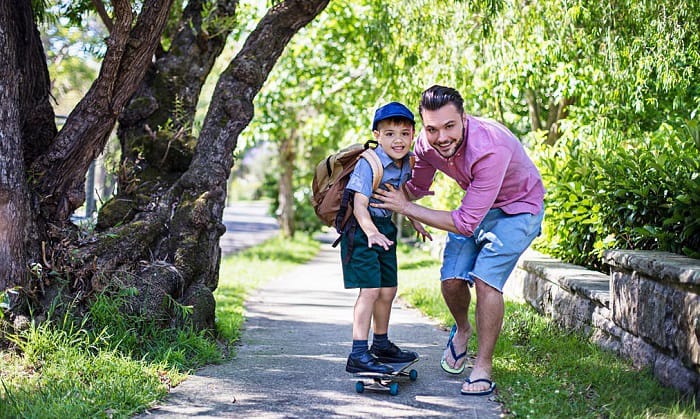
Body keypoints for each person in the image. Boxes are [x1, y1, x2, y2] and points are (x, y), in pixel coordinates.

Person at [372, 85, 545, 395]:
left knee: (485, 280)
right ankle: (462, 329)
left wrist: (409, 207)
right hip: (478, 206)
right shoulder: (427, 144)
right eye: (432, 128)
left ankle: (482, 367)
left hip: (518, 209)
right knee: (451, 280)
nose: (441, 137)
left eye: (450, 126)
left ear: (464, 118)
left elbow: (465, 223)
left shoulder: (491, 147)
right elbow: (417, 186)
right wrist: (397, 205)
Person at [342, 102, 421, 374]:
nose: (397, 139)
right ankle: (358, 353)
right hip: (362, 230)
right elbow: (360, 204)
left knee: (388, 290)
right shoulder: (369, 163)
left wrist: (416, 220)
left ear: (412, 134)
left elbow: (400, 197)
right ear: (377, 135)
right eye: (389, 133)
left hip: (385, 229)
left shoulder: (406, 162)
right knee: (371, 291)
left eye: (404, 133)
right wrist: (371, 231)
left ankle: (381, 344)